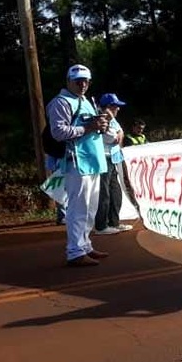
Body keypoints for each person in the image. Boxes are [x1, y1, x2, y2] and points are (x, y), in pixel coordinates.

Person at [46, 64, 110, 267]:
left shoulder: (87, 101)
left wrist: (101, 125)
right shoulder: (61, 102)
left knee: (90, 208)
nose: (83, 84)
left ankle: (85, 245)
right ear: (68, 82)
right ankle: (74, 251)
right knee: (77, 209)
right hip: (76, 162)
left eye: (86, 81)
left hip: (93, 160)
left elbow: (92, 127)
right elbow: (58, 132)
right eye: (78, 81)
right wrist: (88, 127)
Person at [94, 93, 133, 235]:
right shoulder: (100, 118)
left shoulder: (112, 119)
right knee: (104, 192)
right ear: (108, 107)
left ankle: (114, 222)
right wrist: (117, 135)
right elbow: (112, 138)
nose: (118, 109)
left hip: (113, 158)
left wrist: (119, 134)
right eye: (116, 106)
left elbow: (120, 132)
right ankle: (101, 225)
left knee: (115, 191)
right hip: (103, 157)